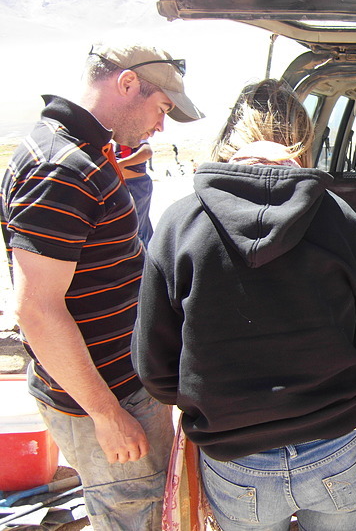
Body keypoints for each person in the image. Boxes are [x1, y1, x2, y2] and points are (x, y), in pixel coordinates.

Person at [132, 78, 356, 531]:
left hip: (236, 462)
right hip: (341, 448)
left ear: (229, 141)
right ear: (303, 143)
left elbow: (156, 369)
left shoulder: (178, 225)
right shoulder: (342, 221)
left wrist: (220, 405)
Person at [0, 42, 204, 530]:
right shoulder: (61, 169)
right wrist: (107, 415)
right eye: (162, 109)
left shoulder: (78, 151)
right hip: (104, 397)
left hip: (121, 383)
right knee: (134, 513)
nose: (160, 125)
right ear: (127, 83)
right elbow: (37, 310)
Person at [115, 140, 155, 246]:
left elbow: (147, 152)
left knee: (137, 225)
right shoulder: (115, 136)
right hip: (127, 183)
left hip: (137, 184)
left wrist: (122, 163)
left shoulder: (133, 134)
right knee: (141, 222)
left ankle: (144, 257)